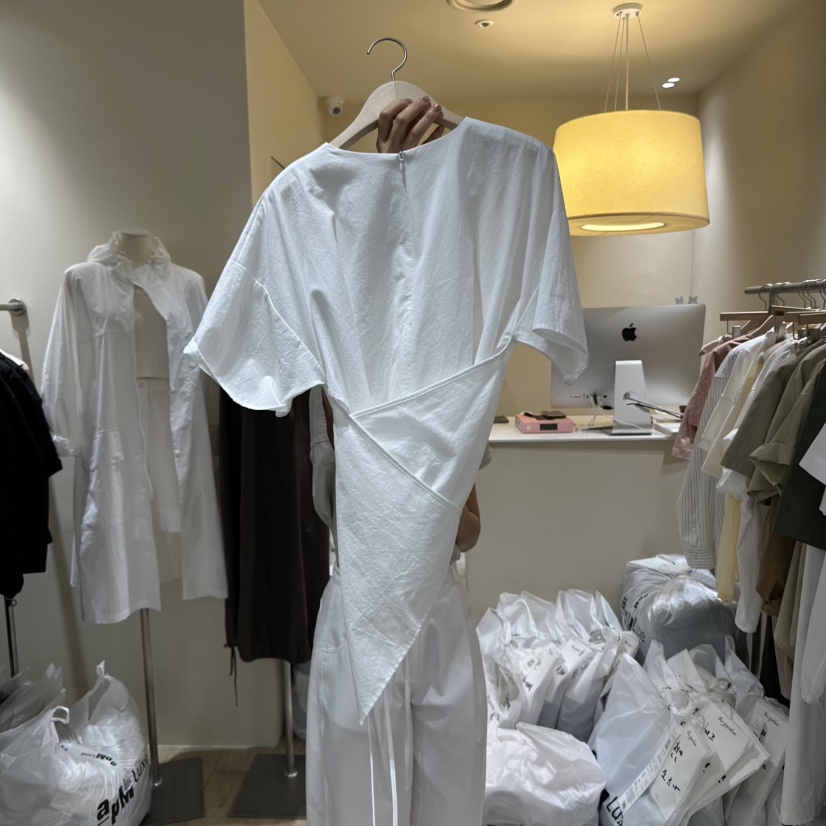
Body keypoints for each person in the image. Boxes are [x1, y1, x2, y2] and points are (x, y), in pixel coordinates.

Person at [305, 97, 488, 826]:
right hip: (365, 610)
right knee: (362, 806)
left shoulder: (453, 361)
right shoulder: (331, 355)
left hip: (435, 611)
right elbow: (345, 509)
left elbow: (470, 526)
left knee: (446, 799)